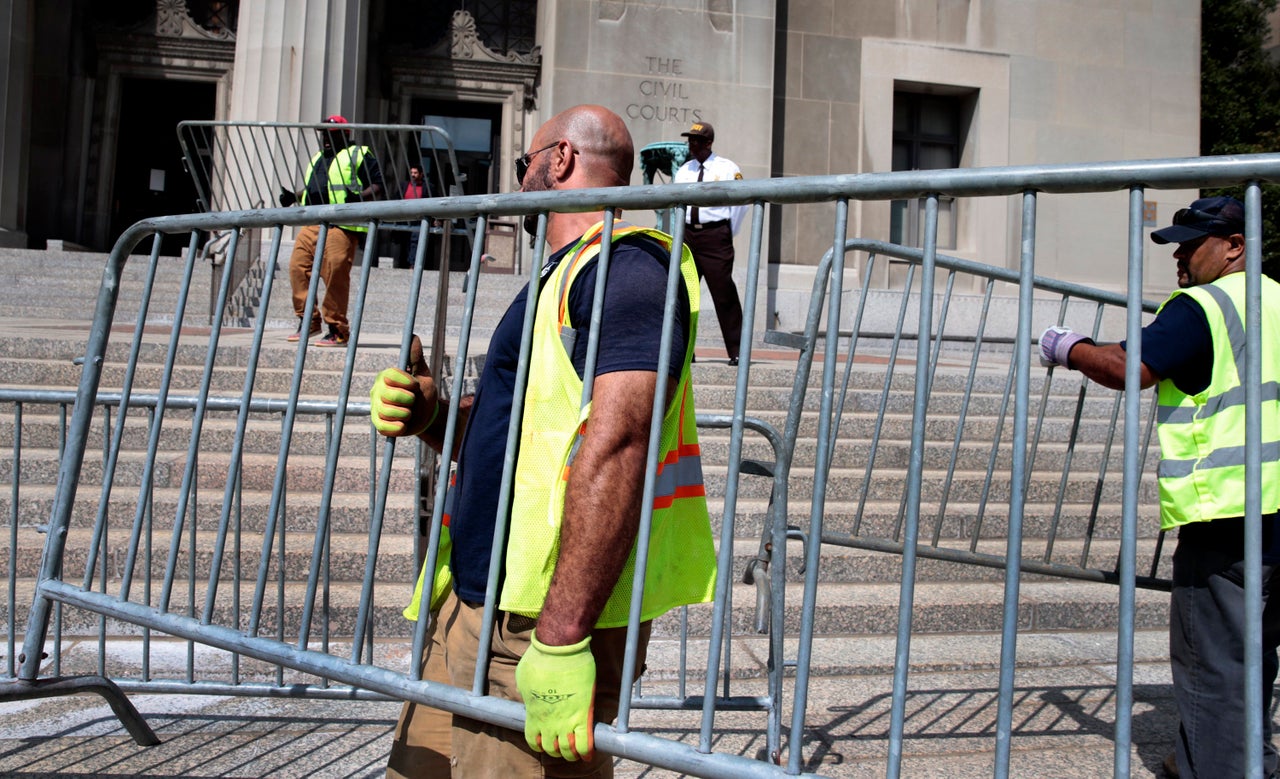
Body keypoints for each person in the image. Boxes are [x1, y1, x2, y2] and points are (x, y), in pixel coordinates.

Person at [373, 104, 718, 778]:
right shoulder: (561, 277)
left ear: (559, 160)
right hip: (479, 603)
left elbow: (621, 441)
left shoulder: (631, 269)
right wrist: (433, 417)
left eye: (524, 162)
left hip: (539, 623)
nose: (518, 177)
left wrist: (562, 639)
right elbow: (527, 435)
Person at [1038, 196, 1280, 778]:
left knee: (1212, 662)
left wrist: (1068, 348)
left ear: (1234, 247)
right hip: (1276, 510)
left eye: (1191, 244)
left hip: (1225, 517)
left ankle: (1217, 768)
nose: (1179, 256)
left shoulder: (1206, 304)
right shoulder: (1276, 299)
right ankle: (1251, 761)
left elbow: (1130, 368)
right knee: (1254, 654)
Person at [278, 115, 384, 346]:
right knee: (297, 267)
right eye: (324, 134)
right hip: (314, 220)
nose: (326, 138)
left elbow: (379, 185)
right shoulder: (318, 157)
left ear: (344, 135)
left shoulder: (358, 154)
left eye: (331, 134)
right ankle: (309, 322)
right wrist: (293, 197)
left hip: (342, 223)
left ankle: (338, 329)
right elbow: (314, 188)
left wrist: (359, 198)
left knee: (334, 271)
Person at [673, 120, 746, 365]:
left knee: (724, 293)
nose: (691, 144)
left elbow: (740, 202)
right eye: (689, 140)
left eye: (696, 140)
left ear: (708, 143)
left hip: (715, 237)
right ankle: (684, 350)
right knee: (683, 292)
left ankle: (737, 351)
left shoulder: (726, 168)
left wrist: (727, 231)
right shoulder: (685, 171)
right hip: (688, 234)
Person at [400, 165, 430, 269]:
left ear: (421, 174)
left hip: (419, 220)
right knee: (405, 241)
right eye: (412, 172)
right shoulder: (404, 185)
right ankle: (404, 262)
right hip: (404, 219)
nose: (413, 175)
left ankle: (412, 264)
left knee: (415, 241)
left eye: (415, 173)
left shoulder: (427, 187)